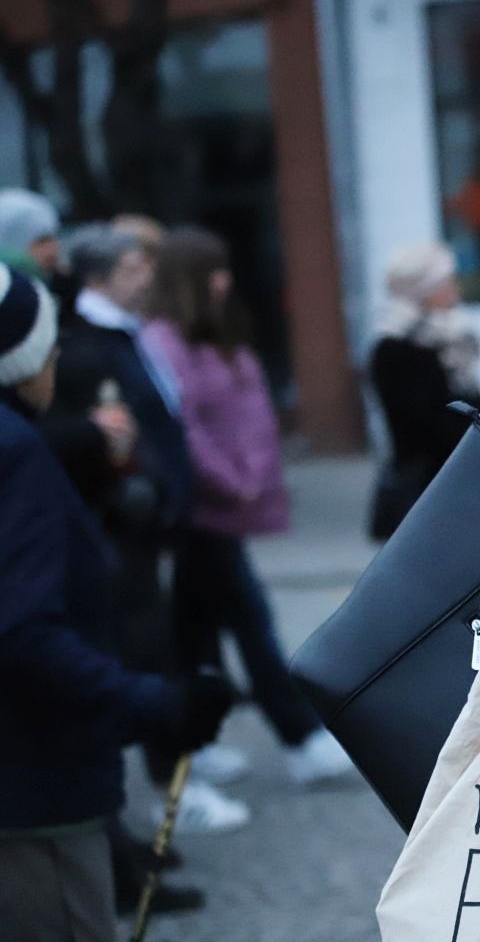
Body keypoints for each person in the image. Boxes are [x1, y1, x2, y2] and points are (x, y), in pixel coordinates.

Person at [0, 263, 233, 941]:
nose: (58, 356)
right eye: (47, 344)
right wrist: (154, 703)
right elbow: (20, 634)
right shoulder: (14, 454)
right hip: (30, 795)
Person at [39, 224, 251, 838]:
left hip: (155, 515)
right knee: (145, 649)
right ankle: (169, 792)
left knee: (174, 640)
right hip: (119, 526)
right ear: (100, 277)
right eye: (134, 267)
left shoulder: (127, 333)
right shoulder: (83, 345)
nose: (147, 277)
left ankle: (183, 765)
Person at [142, 227, 354, 787]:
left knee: (195, 631)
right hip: (201, 511)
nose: (224, 281)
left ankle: (195, 741)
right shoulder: (163, 340)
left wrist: (257, 471)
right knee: (247, 621)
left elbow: (252, 412)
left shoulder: (218, 334)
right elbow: (181, 426)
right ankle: (299, 735)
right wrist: (230, 478)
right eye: (212, 271)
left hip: (227, 507)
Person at [366, 242, 480, 539]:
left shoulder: (452, 336)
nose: (454, 288)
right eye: (445, 281)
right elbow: (419, 422)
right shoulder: (395, 346)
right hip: (429, 488)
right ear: (422, 290)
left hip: (465, 478)